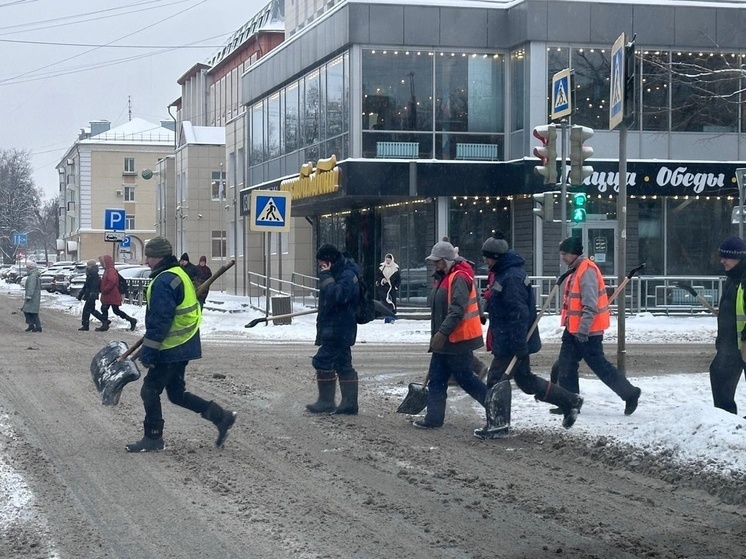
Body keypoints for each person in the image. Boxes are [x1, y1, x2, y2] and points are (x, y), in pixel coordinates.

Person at [126, 237, 236, 452]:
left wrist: (148, 353)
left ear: (158, 257)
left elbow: (160, 321)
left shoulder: (163, 281)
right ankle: (222, 417)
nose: (146, 260)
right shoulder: (178, 274)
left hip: (171, 347)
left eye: (148, 256)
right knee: (176, 394)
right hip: (184, 344)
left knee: (149, 391)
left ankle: (153, 437)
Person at [474, 233, 583, 439]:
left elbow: (519, 314)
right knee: (526, 381)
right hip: (511, 339)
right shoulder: (504, 272)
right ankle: (570, 401)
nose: (485, 261)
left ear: (497, 257)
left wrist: (518, 345)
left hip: (513, 341)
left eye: (488, 258)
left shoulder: (511, 277)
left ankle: (498, 425)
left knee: (496, 379)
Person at [555, 236, 642, 415]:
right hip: (573, 329)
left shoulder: (586, 271)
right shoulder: (576, 269)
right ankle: (570, 402)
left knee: (600, 366)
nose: (562, 257)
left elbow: (590, 304)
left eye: (565, 254)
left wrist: (583, 330)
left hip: (587, 331)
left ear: (574, 254)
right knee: (566, 364)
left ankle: (630, 393)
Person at [414, 240, 487, 429]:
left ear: (447, 260)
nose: (435, 264)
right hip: (444, 339)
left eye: (438, 261)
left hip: (457, 339)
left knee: (466, 379)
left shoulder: (459, 277)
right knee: (437, 379)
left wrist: (442, 333)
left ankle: (495, 406)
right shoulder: (442, 276)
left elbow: (457, 310)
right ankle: (433, 418)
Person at [306, 243, 361, 415]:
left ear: (328, 261)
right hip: (334, 327)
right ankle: (349, 404)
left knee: (321, 361)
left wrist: (326, 276)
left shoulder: (347, 274)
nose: (319, 266)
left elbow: (339, 296)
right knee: (343, 364)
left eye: (321, 263)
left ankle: (326, 402)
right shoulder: (337, 272)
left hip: (340, 328)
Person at [709, 235, 746, 414]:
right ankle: (725, 419)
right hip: (731, 344)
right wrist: (722, 339)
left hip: (743, 343)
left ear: (738, 256)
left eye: (726, 257)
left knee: (720, 374)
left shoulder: (744, 279)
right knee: (719, 374)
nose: (722, 260)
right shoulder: (732, 277)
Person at [97, 254, 137, 332]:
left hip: (111, 294)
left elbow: (112, 281)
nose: (102, 264)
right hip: (110, 294)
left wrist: (105, 289)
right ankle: (131, 320)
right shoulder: (108, 270)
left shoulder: (110, 270)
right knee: (113, 310)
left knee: (105, 308)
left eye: (103, 262)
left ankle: (105, 324)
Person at [77, 259, 107, 331]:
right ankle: (104, 320)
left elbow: (93, 285)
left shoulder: (93, 274)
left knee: (86, 310)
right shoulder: (91, 273)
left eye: (88, 265)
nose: (87, 267)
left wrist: (91, 294)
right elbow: (86, 285)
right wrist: (81, 293)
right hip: (90, 294)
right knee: (91, 310)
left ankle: (85, 325)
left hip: (91, 294)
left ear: (92, 266)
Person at [376, 253, 400, 322]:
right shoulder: (381, 267)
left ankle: (392, 313)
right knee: (384, 300)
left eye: (389, 260)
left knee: (392, 300)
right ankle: (384, 312)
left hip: (392, 288)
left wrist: (396, 286)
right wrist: (382, 280)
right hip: (383, 287)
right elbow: (377, 276)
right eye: (387, 260)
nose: (388, 262)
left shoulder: (396, 268)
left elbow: (398, 279)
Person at [22, 261, 42, 333]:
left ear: (30, 268)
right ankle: (34, 325)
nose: (26, 269)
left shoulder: (32, 276)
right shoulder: (33, 275)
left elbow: (31, 286)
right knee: (31, 311)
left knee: (30, 311)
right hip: (34, 296)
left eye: (27, 268)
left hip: (32, 297)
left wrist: (29, 295)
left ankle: (36, 326)